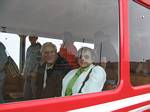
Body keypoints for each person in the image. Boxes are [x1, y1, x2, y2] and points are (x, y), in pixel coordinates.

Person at [22, 35, 41, 100]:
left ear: (36, 38)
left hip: (34, 75)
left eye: (32, 37)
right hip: (27, 74)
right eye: (30, 37)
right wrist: (24, 72)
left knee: (34, 94)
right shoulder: (29, 48)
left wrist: (35, 72)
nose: (31, 38)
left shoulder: (39, 48)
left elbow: (40, 62)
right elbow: (26, 61)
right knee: (26, 94)